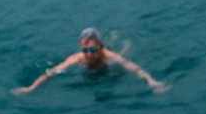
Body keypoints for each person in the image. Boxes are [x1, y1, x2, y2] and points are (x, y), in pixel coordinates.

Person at [10, 27, 168, 95]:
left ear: (100, 47)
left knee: (123, 56)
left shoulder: (109, 56)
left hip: (107, 65)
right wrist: (30, 88)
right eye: (85, 50)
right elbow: (50, 74)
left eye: (93, 50)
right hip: (94, 71)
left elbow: (134, 68)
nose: (89, 54)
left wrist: (151, 81)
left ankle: (124, 43)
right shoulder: (76, 58)